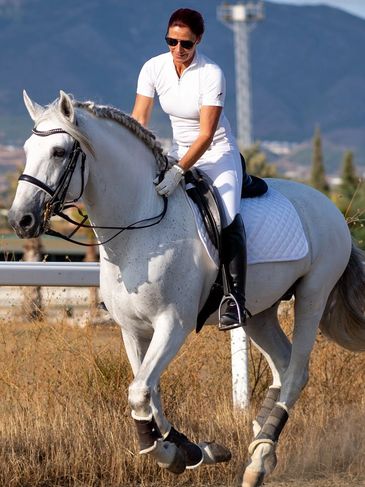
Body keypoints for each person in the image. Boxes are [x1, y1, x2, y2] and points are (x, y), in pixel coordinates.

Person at [131, 8, 248, 330]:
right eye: (172, 41)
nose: (178, 50)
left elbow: (207, 133)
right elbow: (139, 119)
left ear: (198, 40)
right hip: (177, 151)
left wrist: (179, 172)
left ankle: (234, 299)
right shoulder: (153, 67)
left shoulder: (211, 73)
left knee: (226, 215)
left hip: (217, 154)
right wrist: (141, 158)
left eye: (186, 44)